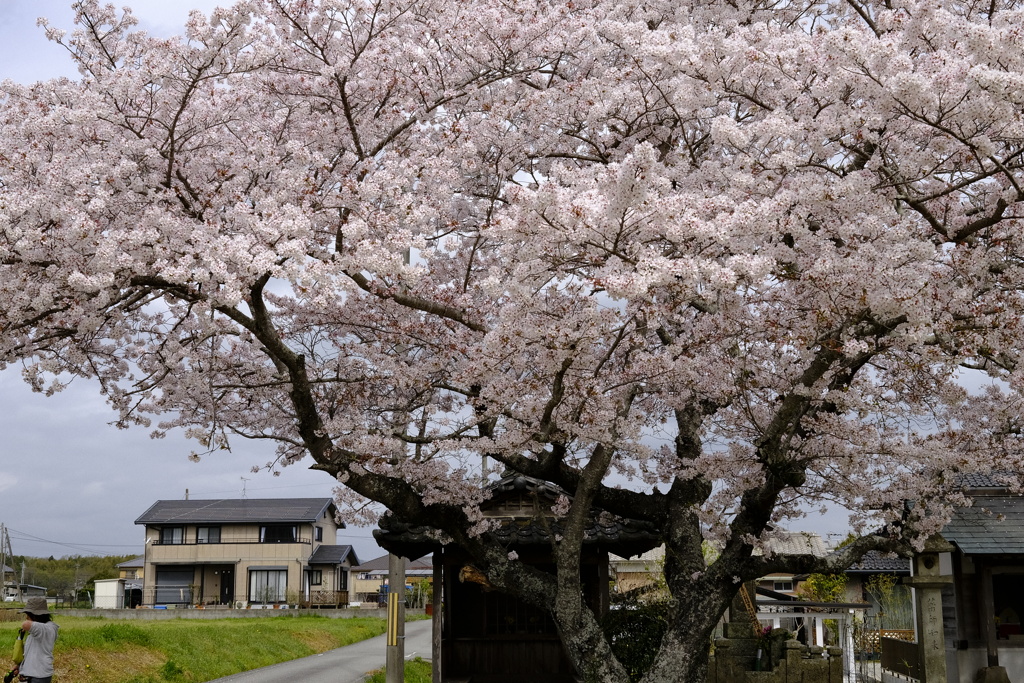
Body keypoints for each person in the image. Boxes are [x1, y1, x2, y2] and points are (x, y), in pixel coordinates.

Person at [10, 596, 58, 683]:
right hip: (31, 675)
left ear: (36, 616)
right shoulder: (38, 631)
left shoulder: (47, 629)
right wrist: (20, 666)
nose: (26, 617)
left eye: (28, 615)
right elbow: (33, 653)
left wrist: (28, 626)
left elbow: (26, 624)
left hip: (37, 677)